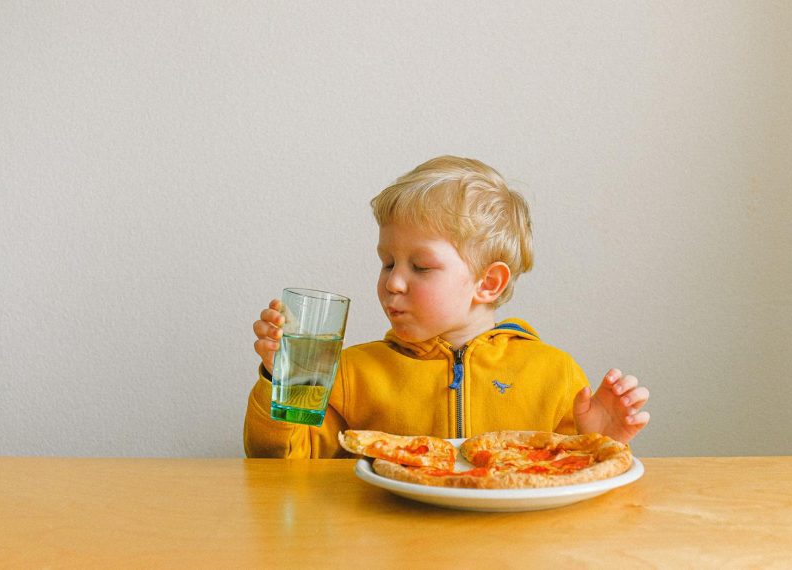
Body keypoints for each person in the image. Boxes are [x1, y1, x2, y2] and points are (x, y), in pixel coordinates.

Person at [245, 155, 650, 458]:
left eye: (420, 266)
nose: (393, 281)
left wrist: (601, 442)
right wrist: (281, 377)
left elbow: (571, 478)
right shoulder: (353, 375)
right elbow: (282, 463)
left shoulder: (554, 375)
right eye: (387, 262)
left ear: (487, 283)